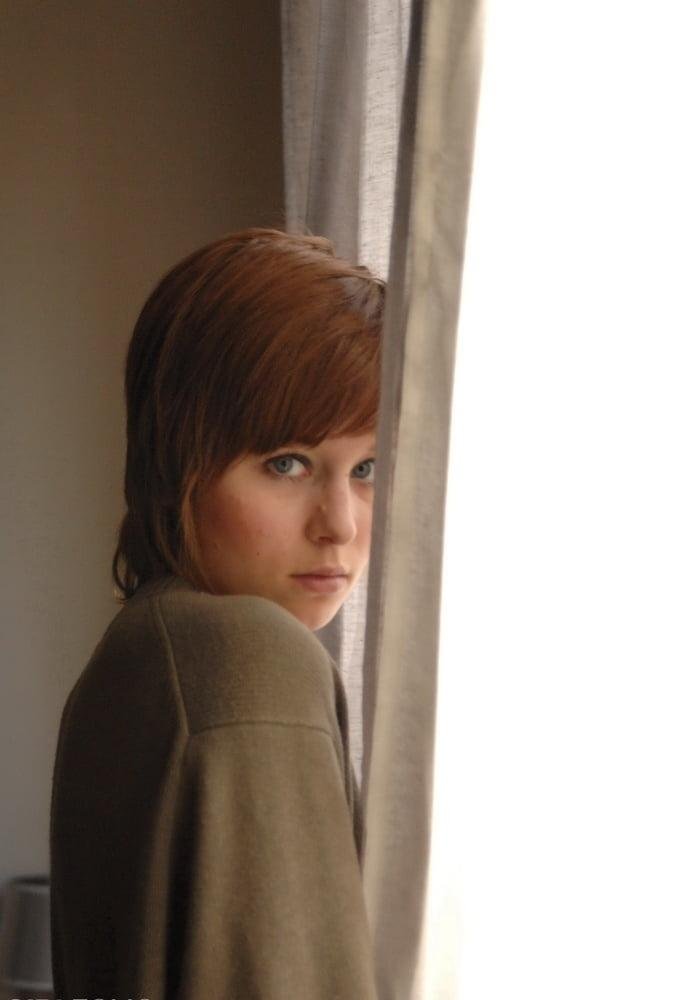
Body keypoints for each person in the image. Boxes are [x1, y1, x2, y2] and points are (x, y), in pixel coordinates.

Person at [49, 228, 384, 1000]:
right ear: (177, 462)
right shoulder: (246, 654)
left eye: (368, 468)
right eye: (286, 463)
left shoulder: (142, 653)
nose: (339, 523)